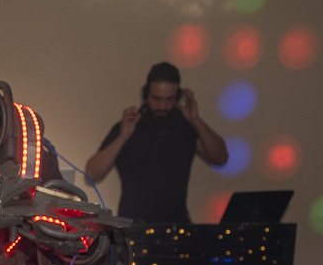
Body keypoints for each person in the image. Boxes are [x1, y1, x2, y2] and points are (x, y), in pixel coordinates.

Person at [84, 61, 228, 223]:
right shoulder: (130, 125)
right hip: (134, 227)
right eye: (157, 99)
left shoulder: (184, 127)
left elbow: (221, 158)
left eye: (169, 99)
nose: (162, 106)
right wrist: (122, 138)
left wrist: (196, 120)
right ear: (146, 94)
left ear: (177, 97)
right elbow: (91, 174)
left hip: (176, 225)